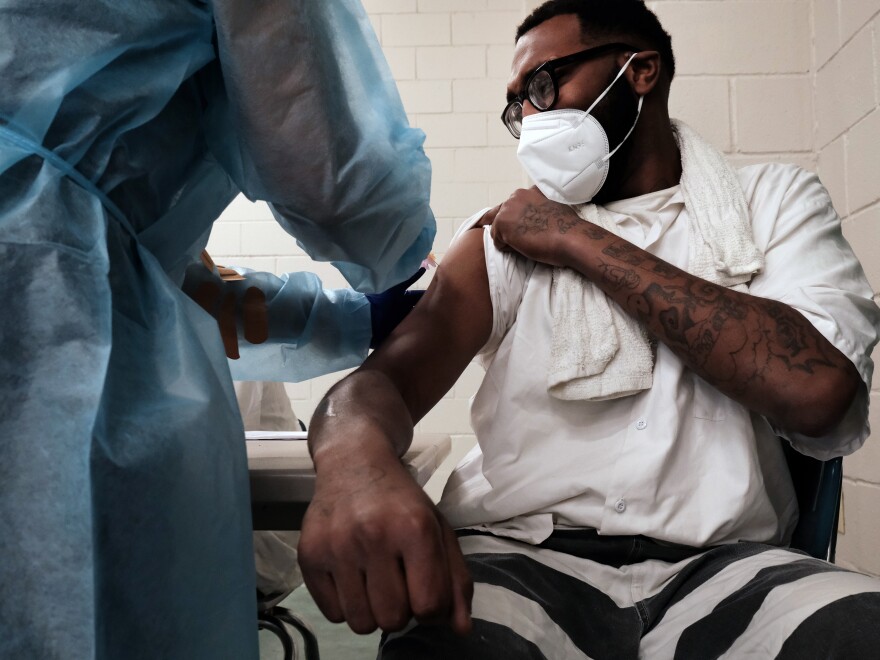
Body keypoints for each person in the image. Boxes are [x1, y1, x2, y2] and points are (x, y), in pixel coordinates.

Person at [298, 1, 880, 657]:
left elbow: (822, 394)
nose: (531, 123)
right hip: (519, 556)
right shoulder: (500, 239)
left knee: (859, 630)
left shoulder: (771, 204)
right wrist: (354, 465)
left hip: (727, 564)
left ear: (640, 71)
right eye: (519, 107)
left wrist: (576, 241)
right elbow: (383, 384)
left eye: (544, 86)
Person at [0, 1, 434, 658]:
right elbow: (334, 173)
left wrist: (353, 320)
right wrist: (401, 256)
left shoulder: (60, 194)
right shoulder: (63, 237)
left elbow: (183, 287)